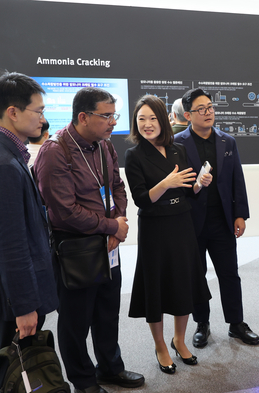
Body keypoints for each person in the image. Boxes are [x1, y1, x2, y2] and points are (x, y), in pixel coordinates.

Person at [34, 87, 144, 393]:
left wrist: (117, 222)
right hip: (77, 248)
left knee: (107, 312)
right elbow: (63, 212)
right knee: (75, 321)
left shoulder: (104, 145)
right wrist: (110, 226)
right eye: (106, 116)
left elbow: (118, 186)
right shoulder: (56, 151)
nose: (112, 122)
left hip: (108, 245)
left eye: (114, 115)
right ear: (83, 116)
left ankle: (110, 368)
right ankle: (84, 381)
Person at [125, 95, 212, 374]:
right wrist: (166, 182)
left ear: (163, 120)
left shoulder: (178, 150)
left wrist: (199, 183)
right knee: (156, 287)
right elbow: (141, 199)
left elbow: (188, 190)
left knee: (183, 281)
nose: (147, 124)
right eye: (141, 119)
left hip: (181, 222)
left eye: (152, 118)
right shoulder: (134, 155)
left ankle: (179, 340)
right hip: (155, 227)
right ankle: (161, 345)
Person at [174, 88, 259, 349]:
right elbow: (176, 184)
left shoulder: (227, 141)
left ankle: (236, 323)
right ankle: (202, 324)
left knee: (229, 274)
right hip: (191, 222)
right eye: (201, 109)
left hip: (222, 220)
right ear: (188, 115)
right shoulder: (177, 143)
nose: (208, 112)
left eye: (210, 107)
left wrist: (240, 215)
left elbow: (237, 180)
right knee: (196, 275)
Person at [0, 71, 58, 349]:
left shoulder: (13, 156)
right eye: (38, 111)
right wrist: (24, 307)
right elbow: (11, 243)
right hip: (14, 303)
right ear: (13, 112)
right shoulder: (5, 166)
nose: (42, 119)